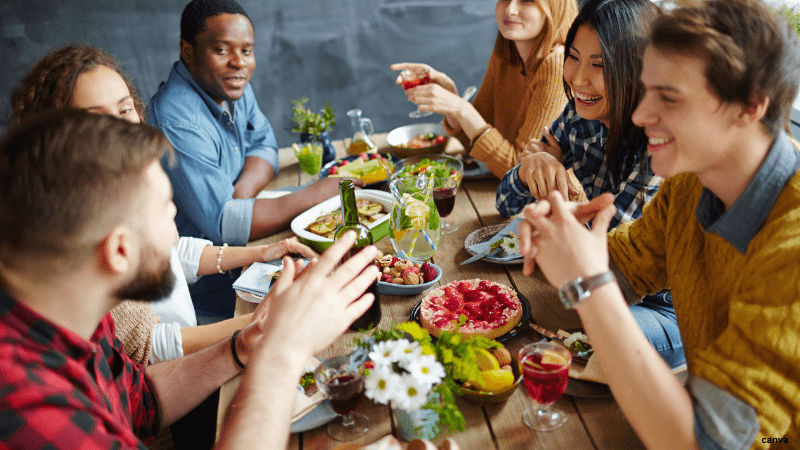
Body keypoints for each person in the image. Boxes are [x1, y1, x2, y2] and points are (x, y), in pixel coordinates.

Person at [0, 109, 380, 450]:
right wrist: (282, 353)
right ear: (119, 251)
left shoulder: (71, 315)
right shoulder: (30, 412)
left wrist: (242, 347)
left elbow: (140, 403)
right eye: (166, 209)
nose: (175, 233)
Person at [518, 0, 800, 448]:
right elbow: (624, 272)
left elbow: (701, 443)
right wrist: (563, 240)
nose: (639, 115)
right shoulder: (690, 183)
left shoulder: (792, 248)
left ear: (748, 107)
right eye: (646, 90)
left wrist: (586, 279)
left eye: (668, 97)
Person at [7, 43, 319, 366]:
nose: (123, 127)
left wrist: (259, 253)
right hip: (177, 374)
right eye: (97, 120)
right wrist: (268, 321)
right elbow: (152, 346)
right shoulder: (82, 227)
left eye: (126, 109)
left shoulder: (128, 186)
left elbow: (171, 251)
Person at [495, 0, 683, 368]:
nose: (579, 78)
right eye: (574, 57)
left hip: (666, 308)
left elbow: (609, 264)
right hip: (597, 286)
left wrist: (555, 197)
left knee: (577, 342)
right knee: (530, 327)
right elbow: (505, 203)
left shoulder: (661, 143)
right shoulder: (580, 116)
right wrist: (530, 167)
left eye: (599, 66)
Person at [147, 0, 358, 321]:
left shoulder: (228, 85)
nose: (238, 63)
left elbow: (265, 145)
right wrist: (315, 193)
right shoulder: (178, 121)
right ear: (187, 50)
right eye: (222, 50)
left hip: (249, 252)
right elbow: (225, 226)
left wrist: (240, 194)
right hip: (215, 292)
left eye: (247, 51)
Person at [391, 0, 579, 178]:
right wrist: (452, 104)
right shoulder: (505, 55)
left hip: (553, 204)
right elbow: (479, 144)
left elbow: (521, 172)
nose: (510, 9)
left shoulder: (557, 66)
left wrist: (461, 108)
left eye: (527, 0)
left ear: (556, 6)